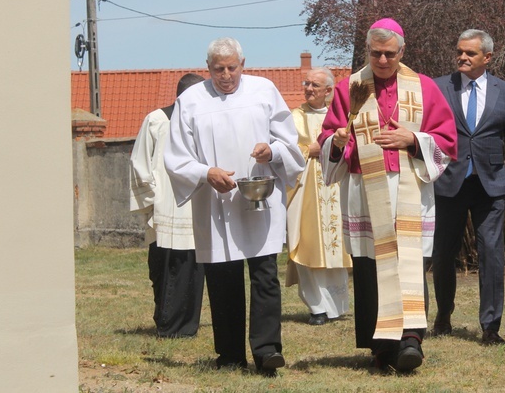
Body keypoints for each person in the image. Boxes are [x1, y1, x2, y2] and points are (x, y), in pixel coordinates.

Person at [318, 18, 457, 372]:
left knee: (410, 262)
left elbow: (447, 140)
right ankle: (381, 348)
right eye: (376, 53)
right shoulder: (349, 88)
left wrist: (412, 140)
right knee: (370, 266)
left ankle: (411, 340)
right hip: (365, 190)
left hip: (410, 186)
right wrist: (336, 144)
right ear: (368, 51)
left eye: (389, 54)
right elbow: (330, 139)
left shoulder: (423, 87)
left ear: (402, 51)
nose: (382, 61)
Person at [164, 37, 305, 373]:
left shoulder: (264, 90)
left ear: (243, 64)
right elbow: (176, 155)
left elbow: (288, 140)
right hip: (215, 201)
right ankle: (229, 353)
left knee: (264, 274)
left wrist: (272, 152)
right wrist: (204, 171)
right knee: (223, 276)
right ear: (207, 68)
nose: (225, 75)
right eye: (218, 69)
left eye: (232, 68)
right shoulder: (191, 100)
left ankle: (267, 349)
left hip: (260, 195)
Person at [431, 29, 505, 345]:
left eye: (470, 53)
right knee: (443, 254)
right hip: (449, 182)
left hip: (491, 185)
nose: (462, 57)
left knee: (491, 254)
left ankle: (490, 327)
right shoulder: (439, 87)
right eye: (459, 51)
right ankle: (444, 315)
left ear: (487, 57)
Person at [130, 73, 206, 338]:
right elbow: (139, 163)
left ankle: (188, 326)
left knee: (194, 269)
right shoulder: (157, 121)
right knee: (165, 268)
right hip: (166, 208)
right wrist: (153, 202)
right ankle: (166, 324)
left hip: (197, 209)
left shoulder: (205, 124)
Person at [286, 67, 352, 326]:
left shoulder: (341, 118)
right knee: (308, 243)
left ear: (328, 91)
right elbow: (284, 149)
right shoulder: (293, 117)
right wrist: (306, 149)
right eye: (307, 84)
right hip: (304, 189)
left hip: (336, 185)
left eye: (315, 85)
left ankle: (335, 305)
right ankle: (316, 307)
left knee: (338, 246)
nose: (309, 89)